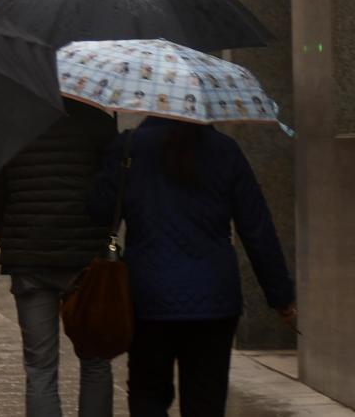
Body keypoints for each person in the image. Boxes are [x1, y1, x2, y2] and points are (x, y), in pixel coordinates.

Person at [91, 118, 295, 417]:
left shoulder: (130, 147)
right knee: (206, 400)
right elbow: (257, 228)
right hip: (214, 299)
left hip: (148, 295)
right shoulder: (225, 150)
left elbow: (98, 210)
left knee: (148, 394)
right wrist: (280, 295)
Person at [0, 98, 118, 417]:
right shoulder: (99, 123)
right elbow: (112, 194)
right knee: (96, 361)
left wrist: (13, 241)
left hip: (29, 259)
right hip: (86, 258)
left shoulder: (9, 124)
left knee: (40, 367)